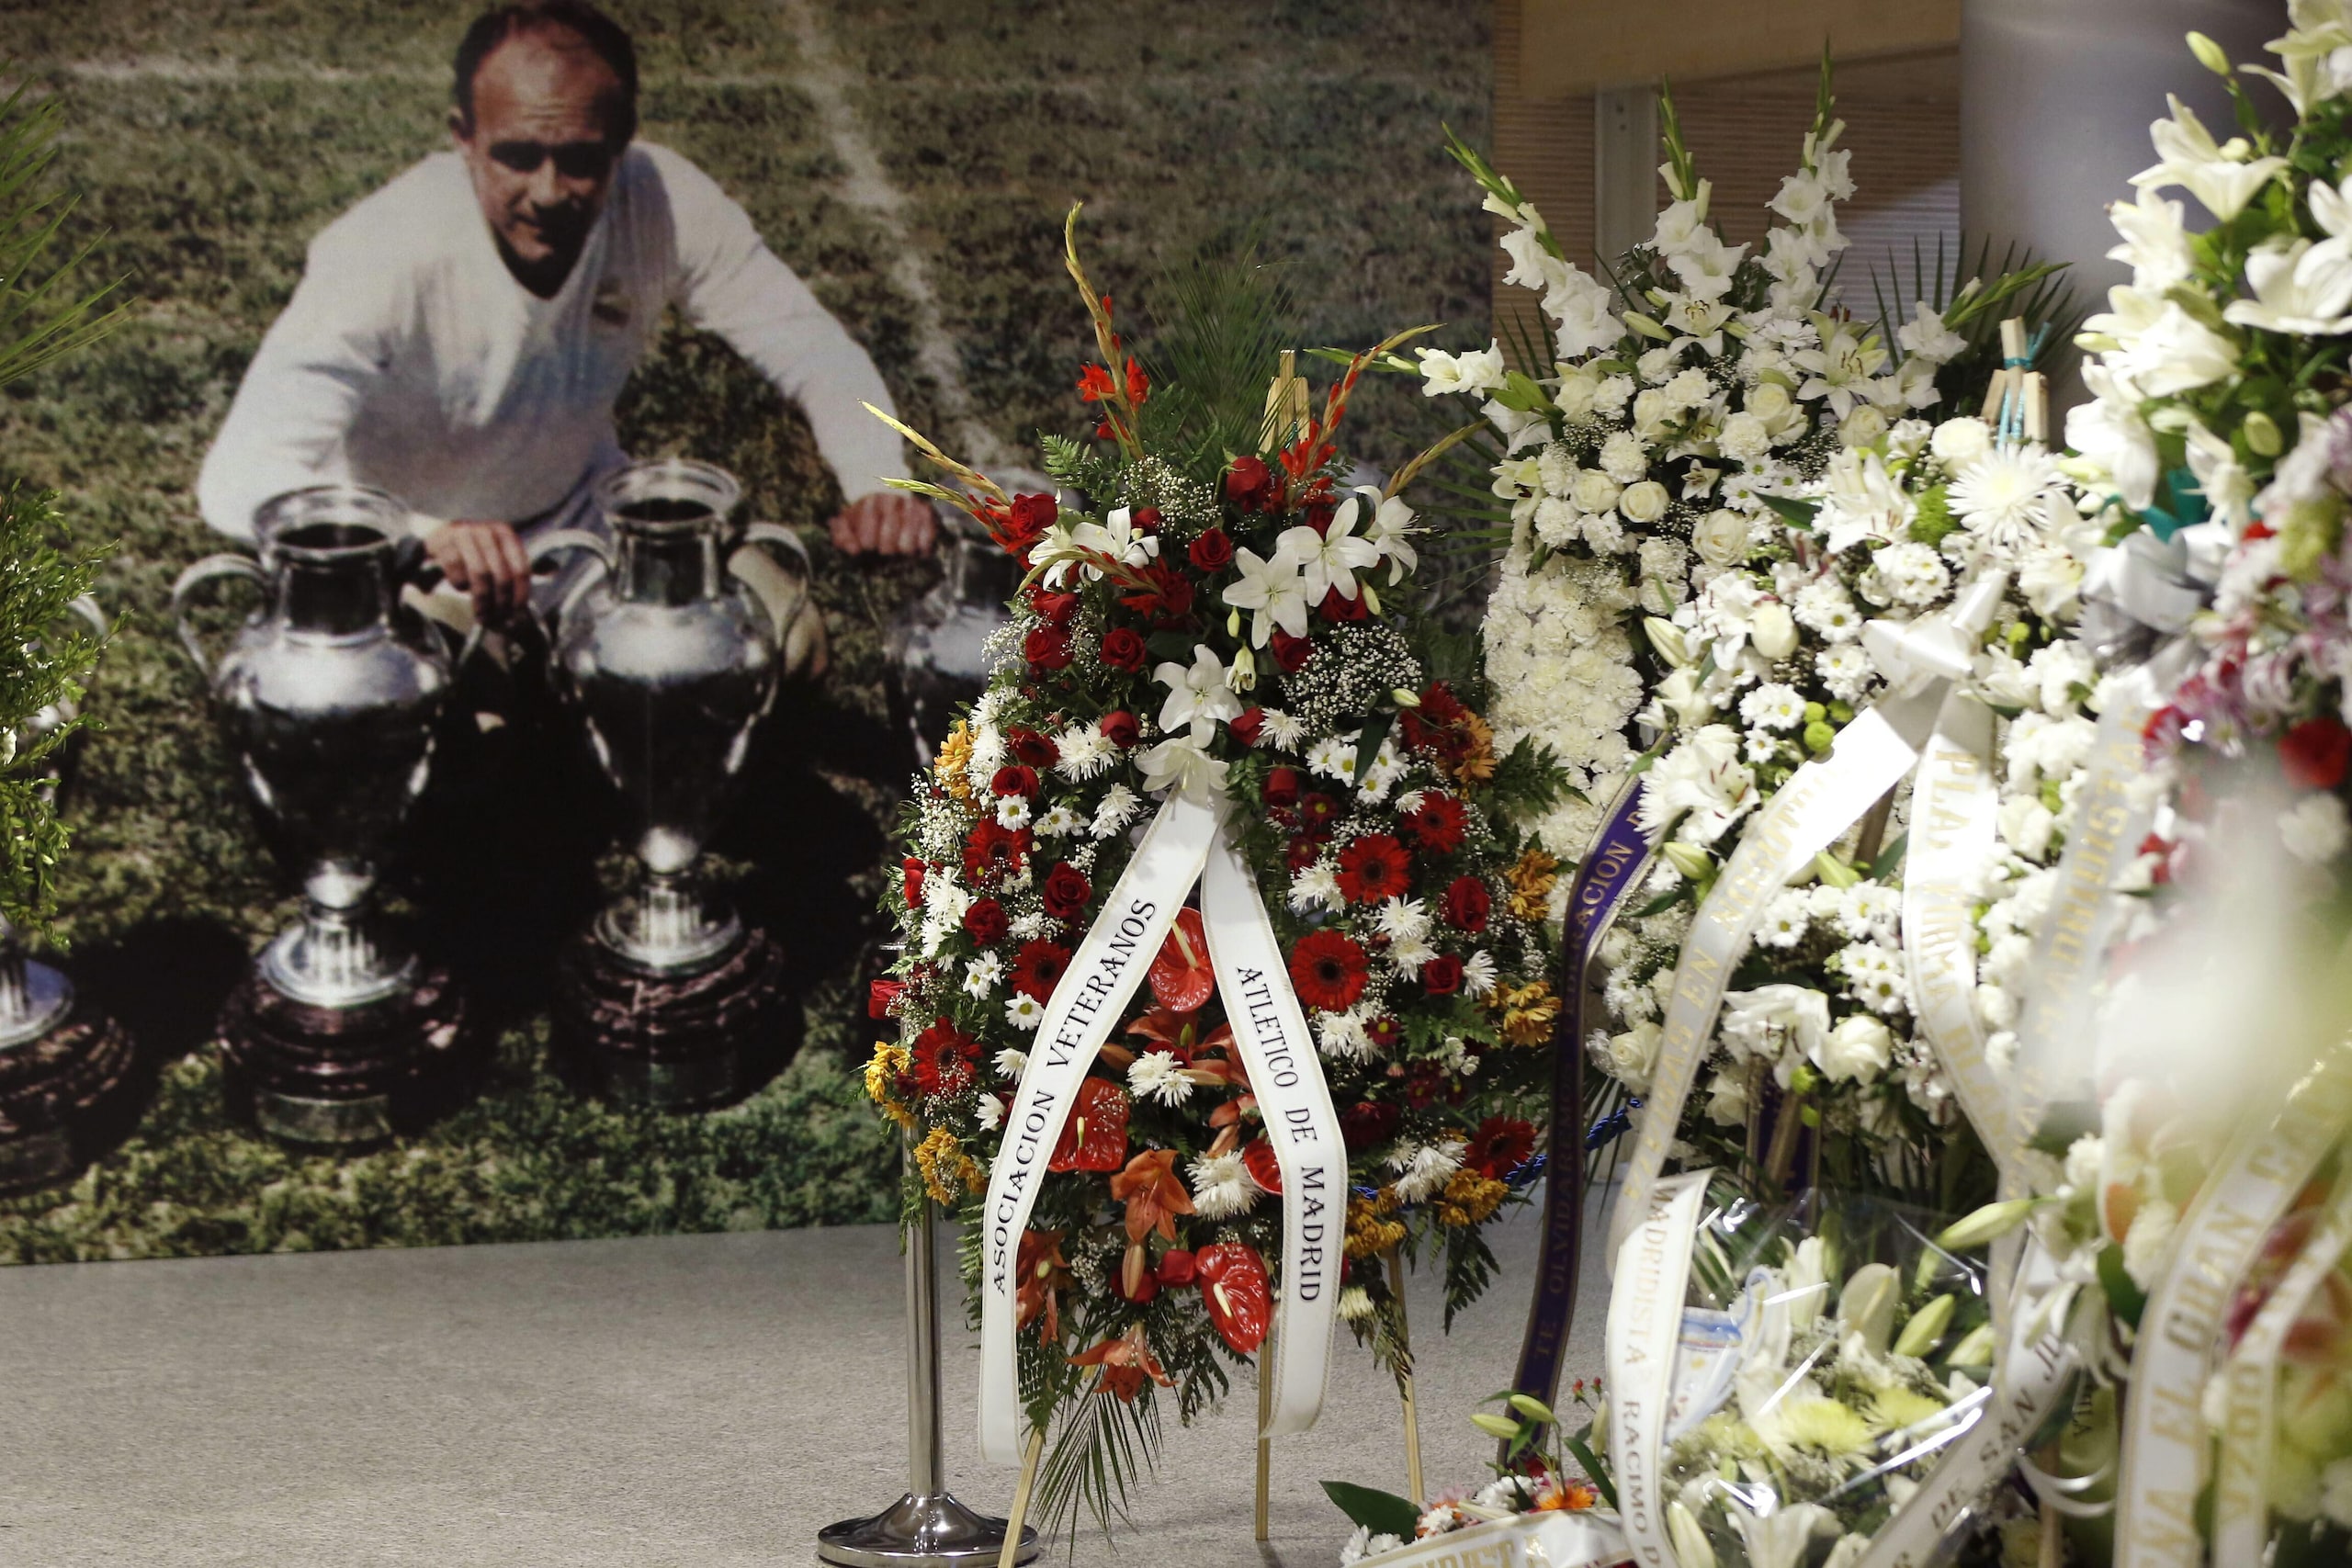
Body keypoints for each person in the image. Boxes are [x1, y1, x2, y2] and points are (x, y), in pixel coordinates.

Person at [197, 0, 934, 637]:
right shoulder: (383, 248)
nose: (548, 193)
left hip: (582, 519)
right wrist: (425, 536)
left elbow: (809, 345)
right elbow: (239, 476)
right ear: (463, 138)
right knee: (474, 728)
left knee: (784, 639)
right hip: (415, 549)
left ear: (622, 138)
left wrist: (878, 481)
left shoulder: (664, 201)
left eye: (581, 159)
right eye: (517, 156)